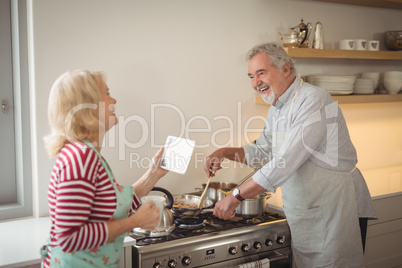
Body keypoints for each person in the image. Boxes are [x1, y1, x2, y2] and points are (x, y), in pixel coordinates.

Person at [204, 42, 376, 267]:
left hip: (335, 206)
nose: (256, 83)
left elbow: (283, 164)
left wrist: (235, 196)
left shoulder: (314, 100)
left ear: (285, 69)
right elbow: (264, 152)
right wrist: (224, 152)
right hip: (308, 209)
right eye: (251, 76)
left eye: (261, 73)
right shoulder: (278, 107)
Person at [41, 70, 168, 268]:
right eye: (107, 93)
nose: (114, 99)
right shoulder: (81, 158)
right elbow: (70, 238)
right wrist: (136, 221)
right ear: (89, 105)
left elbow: (109, 211)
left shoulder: (87, 154)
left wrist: (153, 174)